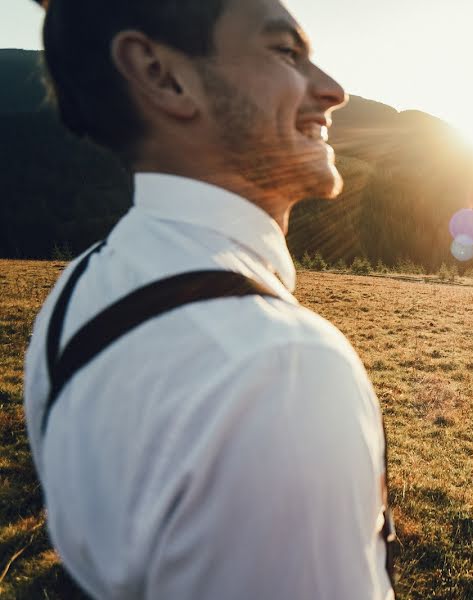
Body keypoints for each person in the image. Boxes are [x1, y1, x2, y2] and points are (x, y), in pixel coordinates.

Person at [23, 0, 394, 598]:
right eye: (284, 51)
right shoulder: (282, 368)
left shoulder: (76, 292)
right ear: (160, 74)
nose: (332, 90)